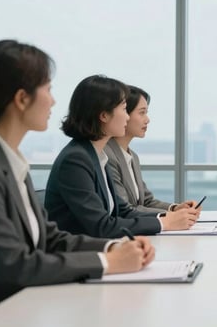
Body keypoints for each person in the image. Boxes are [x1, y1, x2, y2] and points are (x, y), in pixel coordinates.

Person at [0, 41, 154, 327]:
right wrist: (109, 263)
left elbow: (49, 238)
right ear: (21, 99)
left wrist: (117, 246)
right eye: (48, 89)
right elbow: (15, 265)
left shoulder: (7, 159)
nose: (54, 102)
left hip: (10, 317)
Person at [45, 75, 190, 237]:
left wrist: (169, 217)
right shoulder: (76, 159)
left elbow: (123, 211)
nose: (127, 117)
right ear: (104, 115)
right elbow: (102, 226)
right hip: (80, 254)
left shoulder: (96, 155)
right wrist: (164, 223)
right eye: (123, 109)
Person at [105, 85, 200, 229]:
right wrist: (169, 219)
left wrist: (175, 209)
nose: (147, 119)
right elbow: (125, 209)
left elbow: (147, 201)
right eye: (142, 113)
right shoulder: (107, 155)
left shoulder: (132, 156)